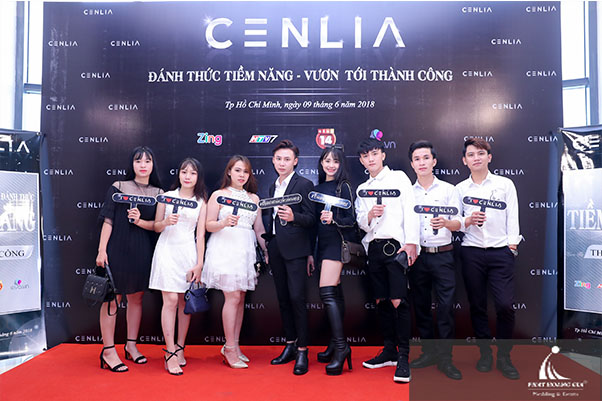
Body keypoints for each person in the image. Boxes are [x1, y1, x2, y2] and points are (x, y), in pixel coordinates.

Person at [354, 137, 419, 383]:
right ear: (361, 161)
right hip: (374, 248)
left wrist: (411, 243)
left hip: (397, 247)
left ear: (383, 155)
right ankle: (389, 351)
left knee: (398, 300)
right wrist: (370, 215)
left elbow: (411, 211)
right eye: (365, 156)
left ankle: (404, 357)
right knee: (381, 299)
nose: (370, 159)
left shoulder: (399, 178)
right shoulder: (362, 188)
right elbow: (361, 221)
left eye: (374, 153)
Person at [456, 138, 522, 380]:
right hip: (471, 251)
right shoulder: (460, 189)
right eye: (471, 154)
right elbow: (456, 221)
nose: (476, 158)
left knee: (505, 306)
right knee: (477, 305)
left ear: (489, 157)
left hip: (500, 251)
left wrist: (511, 246)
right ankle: (485, 354)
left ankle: (504, 357)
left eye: (481, 153)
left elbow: (513, 215)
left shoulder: (505, 184)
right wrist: (468, 220)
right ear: (464, 161)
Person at [95, 146, 163, 372]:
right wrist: (102, 250)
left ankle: (131, 346)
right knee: (112, 299)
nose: (143, 165)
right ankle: (108, 351)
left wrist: (140, 220)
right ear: (132, 164)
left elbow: (157, 226)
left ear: (153, 165)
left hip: (142, 250)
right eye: (138, 160)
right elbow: (108, 220)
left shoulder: (159, 192)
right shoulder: (118, 187)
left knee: (136, 298)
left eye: (147, 161)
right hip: (116, 248)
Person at [202, 155, 267, 369]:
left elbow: (259, 229)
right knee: (232, 297)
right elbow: (208, 225)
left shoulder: (254, 199)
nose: (241, 175)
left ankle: (234, 345)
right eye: (237, 170)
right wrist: (223, 223)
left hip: (245, 250)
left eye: (245, 171)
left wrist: (267, 250)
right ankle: (229, 348)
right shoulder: (219, 195)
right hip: (225, 248)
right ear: (229, 172)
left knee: (240, 298)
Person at [407, 141, 462, 380]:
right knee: (421, 307)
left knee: (446, 308)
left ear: (434, 161)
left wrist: (447, 223)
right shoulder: (408, 193)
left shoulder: (449, 190)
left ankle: (446, 358)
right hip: (418, 257)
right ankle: (428, 353)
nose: (422, 163)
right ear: (412, 164)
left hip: (444, 255)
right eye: (417, 159)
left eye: (426, 158)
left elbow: (460, 222)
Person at [149, 157, 207, 375]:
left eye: (192, 173)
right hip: (166, 251)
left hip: (187, 253)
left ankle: (181, 347)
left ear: (198, 177)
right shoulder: (166, 196)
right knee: (171, 300)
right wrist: (165, 222)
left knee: (184, 302)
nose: (188, 177)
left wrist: (199, 263)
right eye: (184, 172)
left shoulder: (201, 202)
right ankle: (170, 351)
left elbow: (200, 235)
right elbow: (156, 227)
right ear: (179, 174)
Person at [264, 139, 315, 375]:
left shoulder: (304, 184)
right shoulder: (272, 187)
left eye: (287, 159)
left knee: (297, 299)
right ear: (273, 161)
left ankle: (303, 350)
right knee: (283, 299)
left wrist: (295, 217)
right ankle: (290, 345)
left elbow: (311, 219)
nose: (282, 163)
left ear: (295, 161)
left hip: (296, 250)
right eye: (278, 159)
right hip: (276, 247)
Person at [312, 145, 359, 375]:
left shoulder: (345, 186)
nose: (331, 165)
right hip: (322, 245)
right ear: (321, 163)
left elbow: (353, 220)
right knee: (335, 293)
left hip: (336, 244)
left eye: (336, 161)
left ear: (341, 165)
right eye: (327, 160)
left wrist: (334, 219)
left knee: (327, 292)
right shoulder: (317, 189)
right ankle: (334, 344)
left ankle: (342, 348)